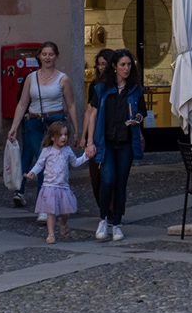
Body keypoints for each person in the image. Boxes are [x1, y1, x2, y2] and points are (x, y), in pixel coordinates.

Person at [6, 42, 75, 208]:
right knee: (35, 158)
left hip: (54, 124)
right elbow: (22, 103)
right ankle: (23, 193)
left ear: (56, 56)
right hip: (34, 122)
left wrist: (77, 131)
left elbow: (71, 104)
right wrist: (14, 126)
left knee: (44, 159)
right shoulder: (31, 78)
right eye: (44, 54)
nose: (47, 57)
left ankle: (42, 203)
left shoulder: (62, 78)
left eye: (51, 54)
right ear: (39, 56)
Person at [90, 49, 143, 241]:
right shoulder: (102, 88)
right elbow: (93, 115)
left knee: (121, 183)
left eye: (129, 65)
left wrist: (138, 118)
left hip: (126, 143)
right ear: (114, 66)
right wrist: (90, 142)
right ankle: (103, 219)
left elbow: (142, 112)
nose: (126, 68)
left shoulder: (135, 89)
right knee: (108, 180)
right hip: (107, 143)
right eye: (123, 65)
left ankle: (117, 224)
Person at [30, 120, 94, 243]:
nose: (63, 137)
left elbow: (74, 162)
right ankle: (51, 234)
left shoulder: (67, 150)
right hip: (50, 185)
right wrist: (33, 172)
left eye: (65, 134)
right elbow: (40, 164)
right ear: (53, 137)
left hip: (63, 186)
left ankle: (63, 224)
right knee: (51, 211)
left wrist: (85, 157)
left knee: (65, 211)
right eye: (60, 135)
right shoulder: (47, 150)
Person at [87, 50, 111, 201]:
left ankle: (113, 213)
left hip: (114, 135)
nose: (102, 68)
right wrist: (86, 139)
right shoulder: (95, 86)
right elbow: (90, 112)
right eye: (99, 64)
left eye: (105, 64)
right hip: (97, 134)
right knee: (97, 176)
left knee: (112, 177)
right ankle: (104, 209)